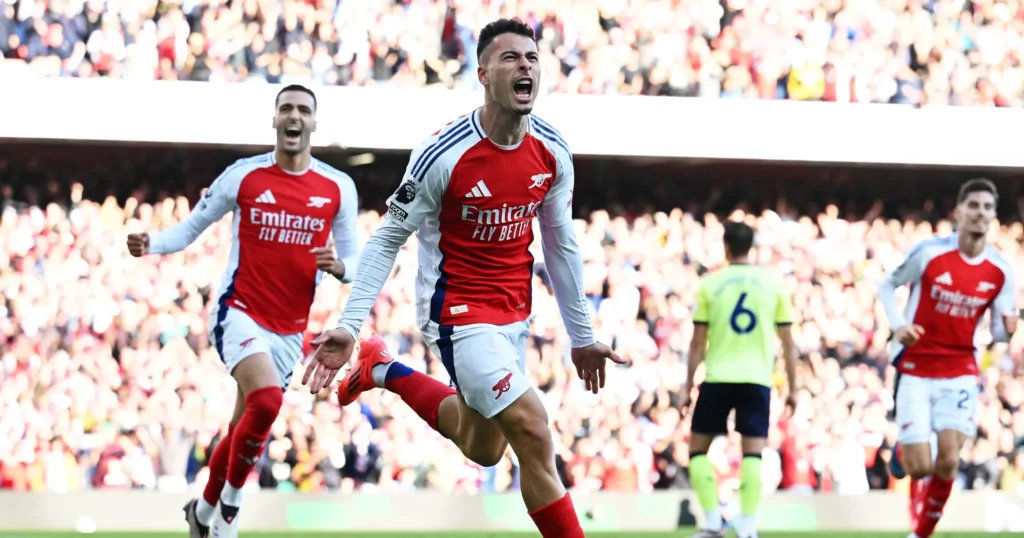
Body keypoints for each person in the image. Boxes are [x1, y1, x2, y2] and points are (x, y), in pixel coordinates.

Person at [301, 18, 625, 538]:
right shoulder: (442, 154)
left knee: (485, 445)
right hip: (456, 312)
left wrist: (583, 337)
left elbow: (560, 245)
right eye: (510, 58)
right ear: (482, 73)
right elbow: (387, 238)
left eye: (532, 58)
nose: (525, 66)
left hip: (513, 313)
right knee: (533, 430)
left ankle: (382, 371)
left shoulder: (553, 152)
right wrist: (350, 321)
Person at [126, 84, 359, 538]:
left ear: (313, 123)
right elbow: (192, 228)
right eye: (286, 109)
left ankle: (202, 512)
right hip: (240, 311)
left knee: (241, 428)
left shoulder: (337, 188)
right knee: (268, 401)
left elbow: (354, 265)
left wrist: (339, 266)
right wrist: (151, 243)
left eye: (303, 111)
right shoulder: (244, 176)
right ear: (275, 120)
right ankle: (229, 511)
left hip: (291, 329)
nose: (294, 117)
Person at [878, 178, 1017, 538]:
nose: (980, 213)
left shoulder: (1001, 270)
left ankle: (920, 534)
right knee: (920, 467)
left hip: (960, 370)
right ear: (958, 212)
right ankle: (903, 453)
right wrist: (898, 325)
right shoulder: (929, 253)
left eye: (987, 207)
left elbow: (999, 334)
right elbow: (886, 285)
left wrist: (1009, 329)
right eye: (973, 205)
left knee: (950, 460)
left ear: (994, 217)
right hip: (916, 367)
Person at [681, 221, 798, 538]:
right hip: (757, 380)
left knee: (696, 451)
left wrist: (686, 386)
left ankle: (712, 523)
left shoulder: (710, 284)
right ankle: (747, 525)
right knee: (753, 453)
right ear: (753, 248)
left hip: (718, 377)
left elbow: (696, 343)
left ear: (726, 247)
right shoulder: (773, 284)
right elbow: (789, 344)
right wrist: (793, 389)